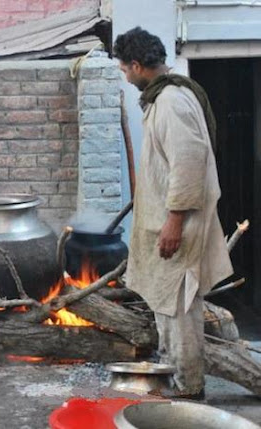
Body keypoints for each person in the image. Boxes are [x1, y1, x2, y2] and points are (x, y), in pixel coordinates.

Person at [113, 27, 233, 400]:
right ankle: (175, 378)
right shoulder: (165, 97)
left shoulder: (171, 101)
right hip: (170, 220)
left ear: (137, 65)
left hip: (179, 223)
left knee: (179, 305)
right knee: (169, 304)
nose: (124, 75)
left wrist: (174, 221)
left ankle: (187, 388)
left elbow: (189, 160)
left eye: (124, 68)